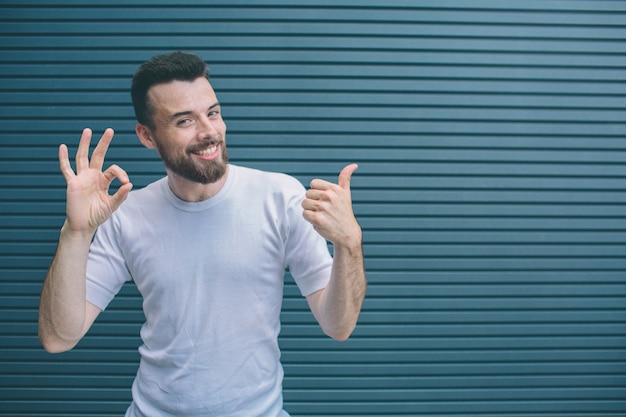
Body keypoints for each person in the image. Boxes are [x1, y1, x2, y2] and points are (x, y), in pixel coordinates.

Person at [38, 51, 367, 417]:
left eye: (212, 112)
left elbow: (339, 326)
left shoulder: (281, 198)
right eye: (184, 121)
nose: (209, 131)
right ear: (147, 136)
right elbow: (58, 338)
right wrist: (76, 232)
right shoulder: (126, 214)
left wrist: (349, 244)